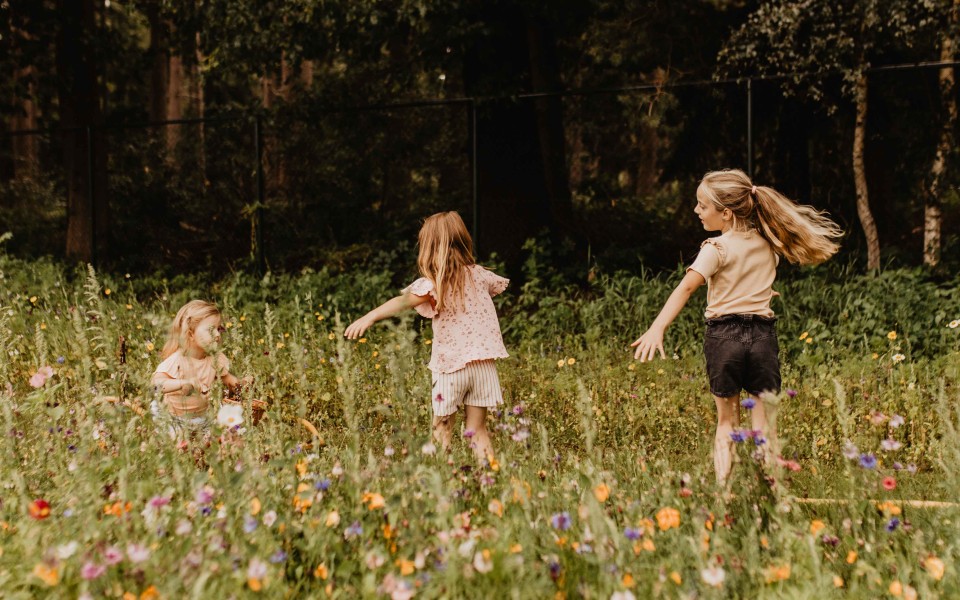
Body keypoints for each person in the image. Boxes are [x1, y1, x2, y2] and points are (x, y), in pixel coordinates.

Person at [631, 169, 843, 485]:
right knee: (763, 427)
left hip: (724, 339)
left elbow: (687, 287)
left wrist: (657, 327)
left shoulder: (715, 248)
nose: (696, 211)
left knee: (726, 423)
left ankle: (722, 495)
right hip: (762, 339)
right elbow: (750, 278)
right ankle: (769, 492)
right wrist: (760, 293)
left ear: (726, 213)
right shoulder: (768, 244)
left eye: (702, 206)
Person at [345, 211, 509, 463]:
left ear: (429, 248)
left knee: (441, 431)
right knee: (477, 431)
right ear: (463, 240)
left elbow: (402, 303)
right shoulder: (480, 275)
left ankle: (440, 488)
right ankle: (491, 481)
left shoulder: (436, 283)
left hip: (451, 366)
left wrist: (369, 317)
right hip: (484, 366)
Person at [151, 300, 246, 442]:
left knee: (228, 435)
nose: (218, 334)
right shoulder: (177, 360)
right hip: (174, 417)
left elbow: (229, 380)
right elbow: (155, 385)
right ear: (190, 334)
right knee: (176, 442)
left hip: (203, 417)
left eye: (218, 328)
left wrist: (240, 384)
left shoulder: (215, 359)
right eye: (210, 329)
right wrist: (182, 383)